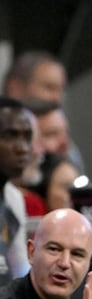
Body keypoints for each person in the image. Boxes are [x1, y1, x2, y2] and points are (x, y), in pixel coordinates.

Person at [0, 97, 34, 283]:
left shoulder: (13, 199)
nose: (22, 148)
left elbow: (20, 271)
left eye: (27, 137)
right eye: (10, 136)